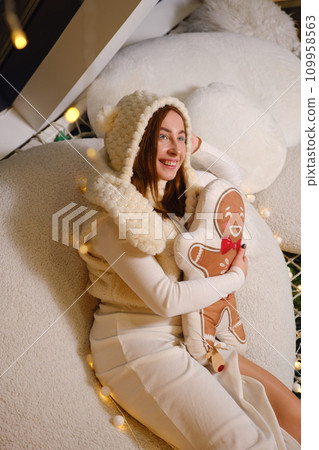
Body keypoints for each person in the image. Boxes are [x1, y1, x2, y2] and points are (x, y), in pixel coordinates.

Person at [79, 90, 300, 449]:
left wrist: (194, 144)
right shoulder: (112, 221)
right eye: (162, 137)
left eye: (180, 137)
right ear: (136, 142)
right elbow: (165, 300)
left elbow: (232, 180)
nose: (175, 149)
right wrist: (234, 278)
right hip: (139, 346)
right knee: (249, 443)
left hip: (191, 335)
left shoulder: (178, 199)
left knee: (300, 421)